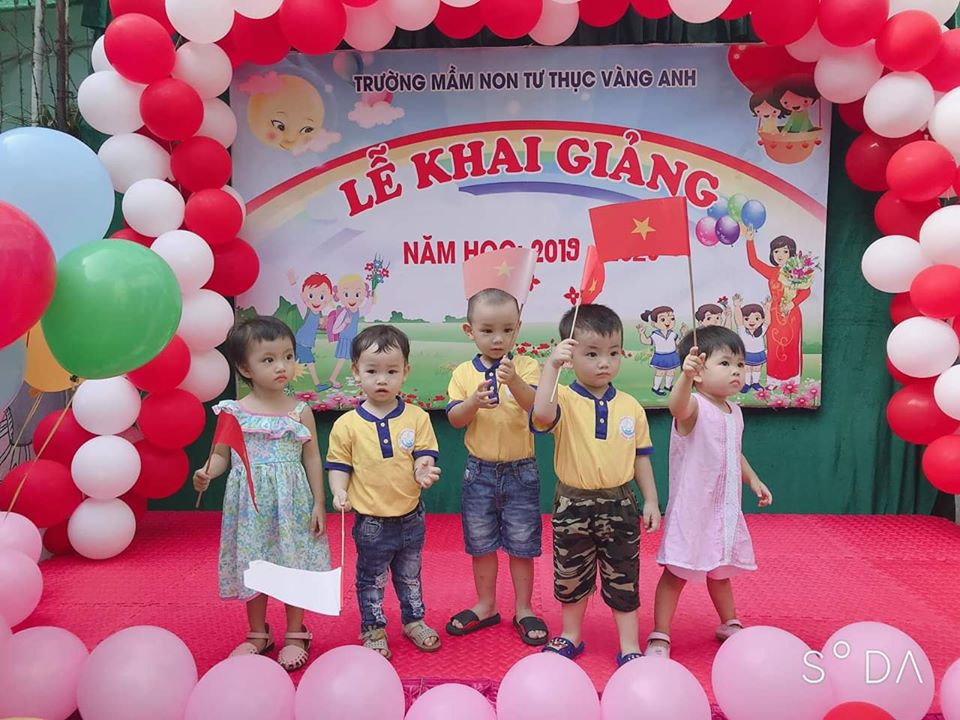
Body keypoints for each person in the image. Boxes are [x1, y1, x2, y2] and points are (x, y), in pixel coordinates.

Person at [193, 316, 330, 672]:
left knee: (292, 562)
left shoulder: (300, 411)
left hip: (292, 502)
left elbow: (312, 457)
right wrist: (207, 472)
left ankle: (296, 631)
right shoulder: (233, 412)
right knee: (255, 564)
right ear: (244, 368)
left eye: (288, 356)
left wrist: (319, 503)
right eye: (268, 359)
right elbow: (221, 456)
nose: (281, 366)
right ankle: (258, 633)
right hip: (250, 505)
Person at [531, 304, 660, 667]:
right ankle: (571, 634)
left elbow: (641, 457)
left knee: (624, 576)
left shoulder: (631, 407)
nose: (605, 363)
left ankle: (629, 644)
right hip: (572, 505)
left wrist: (651, 500)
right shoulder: (563, 398)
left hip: (621, 505)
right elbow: (541, 415)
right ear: (571, 355)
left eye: (613, 353)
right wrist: (551, 367)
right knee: (571, 575)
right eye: (592, 354)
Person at [646, 326, 773, 659]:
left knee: (721, 570)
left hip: (724, 508)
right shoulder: (694, 407)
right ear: (699, 371)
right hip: (693, 508)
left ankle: (729, 622)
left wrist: (753, 479)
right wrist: (684, 378)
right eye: (726, 363)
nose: (736, 371)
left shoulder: (735, 411)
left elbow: (734, 451)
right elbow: (676, 407)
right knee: (676, 573)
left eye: (740, 364)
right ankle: (660, 633)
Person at [326, 324, 442, 660]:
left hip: (411, 517)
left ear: (405, 371)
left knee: (410, 576)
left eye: (391, 371)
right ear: (356, 372)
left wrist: (422, 469)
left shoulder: (417, 417)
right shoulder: (347, 425)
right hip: (371, 522)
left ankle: (414, 620)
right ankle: (373, 628)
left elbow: (424, 454)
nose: (382, 379)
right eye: (372, 371)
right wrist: (339, 492)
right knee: (371, 578)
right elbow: (339, 465)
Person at [445, 289, 547, 646]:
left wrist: (514, 380)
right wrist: (473, 402)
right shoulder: (462, 373)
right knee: (481, 543)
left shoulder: (527, 366)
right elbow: (455, 419)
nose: (498, 339)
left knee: (522, 544)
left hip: (522, 471)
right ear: (469, 330)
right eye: (487, 330)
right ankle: (486, 605)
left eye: (507, 330)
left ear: (518, 328)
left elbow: (536, 408)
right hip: (479, 473)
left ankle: (524, 608)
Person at [745, 230, 811, 384]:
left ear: (791, 253)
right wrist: (749, 241)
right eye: (776, 251)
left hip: (792, 314)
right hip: (774, 314)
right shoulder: (772, 272)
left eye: (785, 251)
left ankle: (792, 380)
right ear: (772, 253)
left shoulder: (797, 272)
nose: (780, 255)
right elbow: (754, 262)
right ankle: (774, 380)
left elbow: (806, 291)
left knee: (791, 346)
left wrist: (792, 303)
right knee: (774, 346)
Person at [637, 305, 688, 396]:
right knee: (660, 372)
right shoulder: (655, 335)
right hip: (661, 356)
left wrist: (683, 334)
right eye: (663, 319)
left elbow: (679, 343)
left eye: (672, 318)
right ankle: (656, 387)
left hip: (672, 355)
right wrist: (642, 334)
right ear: (654, 324)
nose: (668, 322)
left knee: (671, 372)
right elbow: (646, 341)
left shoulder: (672, 334)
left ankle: (668, 386)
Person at [732, 294, 771, 393]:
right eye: (747, 318)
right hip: (746, 353)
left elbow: (767, 322)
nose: (752, 321)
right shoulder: (742, 330)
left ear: (761, 320)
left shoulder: (761, 330)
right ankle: (747, 383)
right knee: (747, 369)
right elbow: (738, 318)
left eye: (756, 318)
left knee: (757, 368)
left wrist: (767, 309)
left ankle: (755, 383)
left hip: (758, 353)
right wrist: (737, 306)